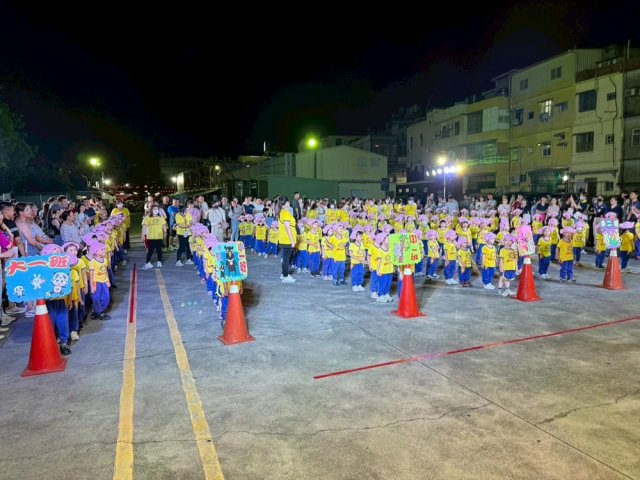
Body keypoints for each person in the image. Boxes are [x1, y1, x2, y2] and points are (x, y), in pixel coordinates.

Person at [278, 195, 297, 282]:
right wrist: (292, 240)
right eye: (288, 201)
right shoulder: (285, 213)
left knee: (286, 258)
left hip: (284, 238)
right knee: (287, 258)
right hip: (287, 239)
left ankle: (283, 274)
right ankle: (285, 276)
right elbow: (287, 227)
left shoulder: (282, 211)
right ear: (285, 203)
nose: (289, 203)